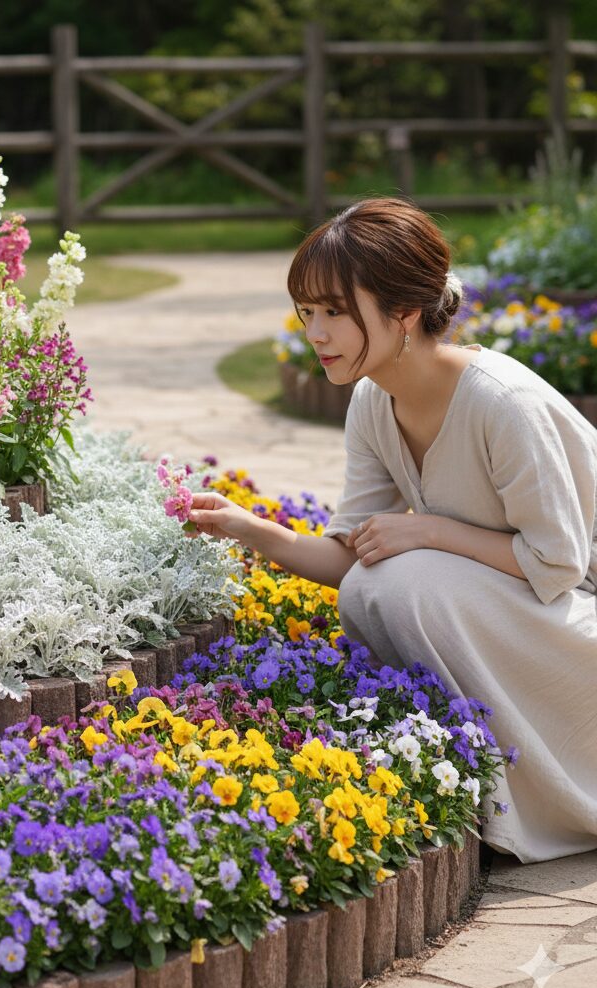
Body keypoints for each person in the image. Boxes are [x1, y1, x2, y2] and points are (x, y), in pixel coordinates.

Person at [186, 197, 597, 864]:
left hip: (577, 619)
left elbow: (557, 564)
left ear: (404, 312)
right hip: (529, 614)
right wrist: (246, 527)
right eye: (307, 312)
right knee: (375, 586)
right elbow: (351, 559)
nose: (314, 334)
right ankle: (472, 771)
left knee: (405, 582)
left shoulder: (502, 403)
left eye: (335, 312)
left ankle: (526, 787)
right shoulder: (375, 402)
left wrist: (430, 531)